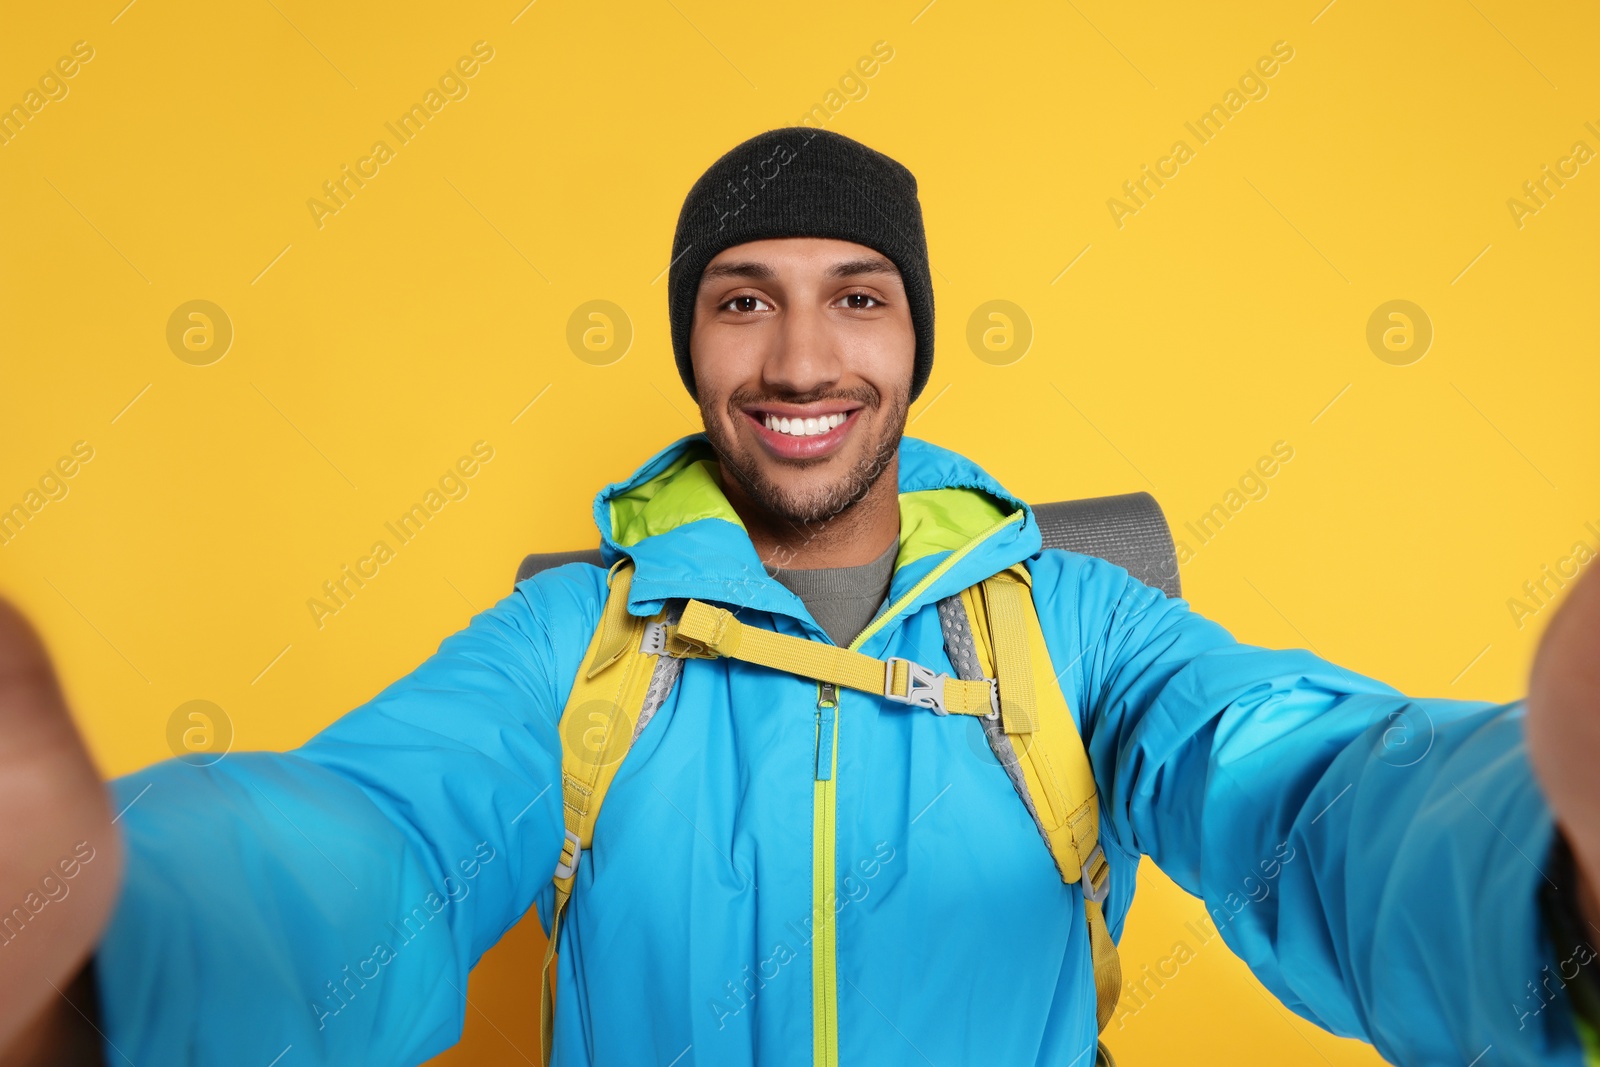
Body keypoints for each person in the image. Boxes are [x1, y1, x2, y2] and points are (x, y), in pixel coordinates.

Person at [1, 126, 1597, 1067]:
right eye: (742, 300)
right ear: (691, 343)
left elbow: (1296, 788)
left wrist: (1556, 863)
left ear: (918, 336)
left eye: (859, 298)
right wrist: (108, 938)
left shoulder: (1076, 629)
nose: (802, 361)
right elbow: (383, 844)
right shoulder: (582, 642)